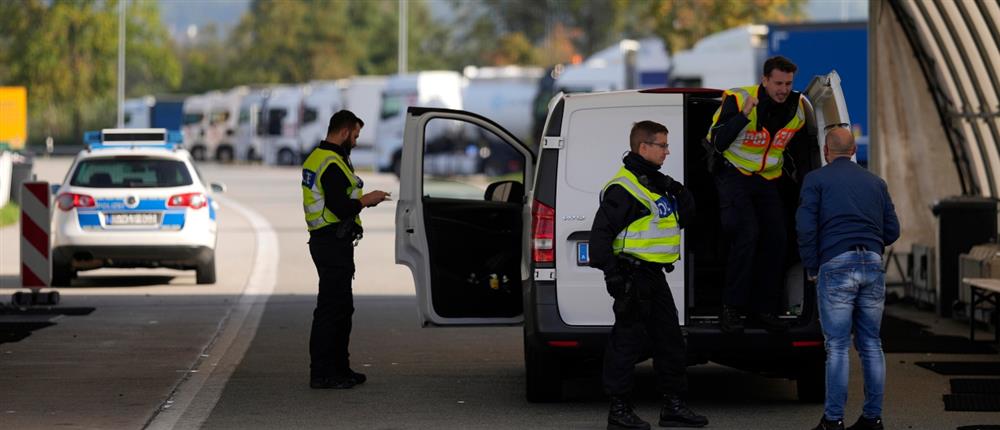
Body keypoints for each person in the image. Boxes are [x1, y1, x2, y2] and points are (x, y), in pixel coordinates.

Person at [589, 121, 707, 429]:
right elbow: (599, 238)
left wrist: (679, 190)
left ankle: (673, 406)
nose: (667, 152)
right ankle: (619, 411)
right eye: (663, 146)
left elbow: (687, 217)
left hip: (654, 275)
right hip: (632, 276)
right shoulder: (624, 187)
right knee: (626, 343)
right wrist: (612, 276)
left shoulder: (654, 183)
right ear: (644, 148)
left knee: (670, 341)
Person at [796, 127, 899, 430]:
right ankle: (872, 418)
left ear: (827, 152)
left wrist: (813, 266)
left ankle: (833, 420)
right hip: (871, 263)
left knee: (838, 346)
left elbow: (805, 228)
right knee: (871, 344)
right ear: (854, 151)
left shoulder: (816, 180)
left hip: (836, 263)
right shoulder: (876, 183)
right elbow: (893, 231)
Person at [705, 55, 812, 334]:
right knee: (747, 233)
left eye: (788, 83)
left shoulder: (798, 108)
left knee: (777, 238)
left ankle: (764, 309)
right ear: (764, 80)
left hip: (767, 178)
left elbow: (800, 153)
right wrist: (742, 117)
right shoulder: (739, 99)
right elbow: (718, 142)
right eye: (778, 83)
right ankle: (732, 308)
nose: (783, 89)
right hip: (734, 173)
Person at [302, 110, 391, 389]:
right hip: (331, 242)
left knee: (341, 308)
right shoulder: (329, 162)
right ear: (344, 132)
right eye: (355, 135)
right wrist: (368, 200)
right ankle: (323, 374)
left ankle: (340, 369)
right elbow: (339, 207)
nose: (355, 140)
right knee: (331, 309)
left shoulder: (324, 157)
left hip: (331, 241)